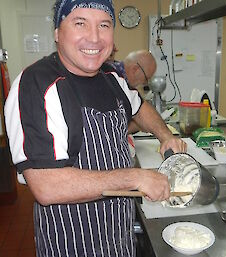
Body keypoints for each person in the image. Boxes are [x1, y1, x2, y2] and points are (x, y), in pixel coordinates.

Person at [4, 1, 187, 257]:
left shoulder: (112, 76)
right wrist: (135, 177)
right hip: (72, 242)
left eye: (104, 25)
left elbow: (140, 107)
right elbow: (46, 186)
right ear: (57, 32)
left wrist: (165, 134)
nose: (94, 37)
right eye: (80, 23)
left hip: (118, 232)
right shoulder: (36, 84)